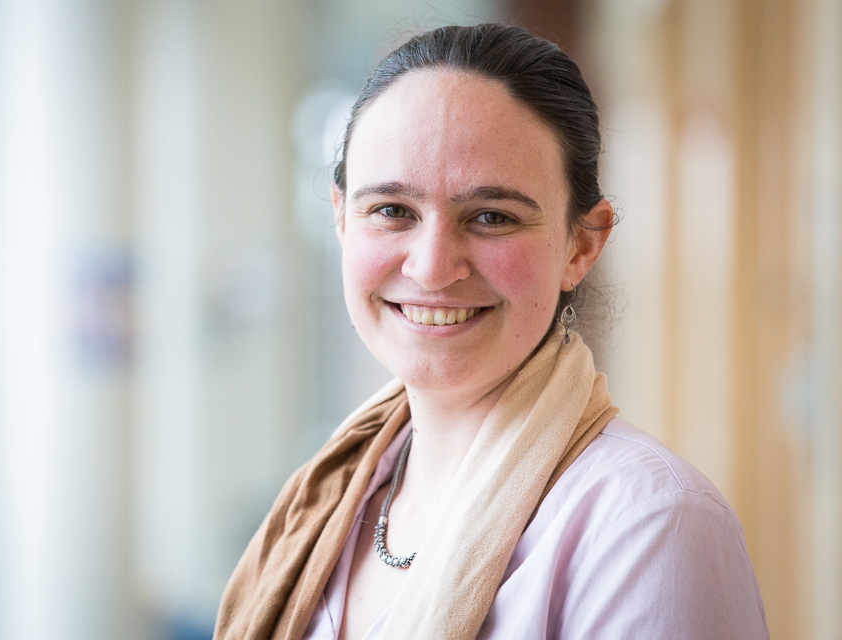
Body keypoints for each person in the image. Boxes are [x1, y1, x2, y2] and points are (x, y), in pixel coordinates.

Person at [215, 23, 769, 640]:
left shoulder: (653, 525)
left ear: (581, 246)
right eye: (392, 211)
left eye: (490, 216)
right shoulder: (328, 501)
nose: (430, 267)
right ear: (343, 220)